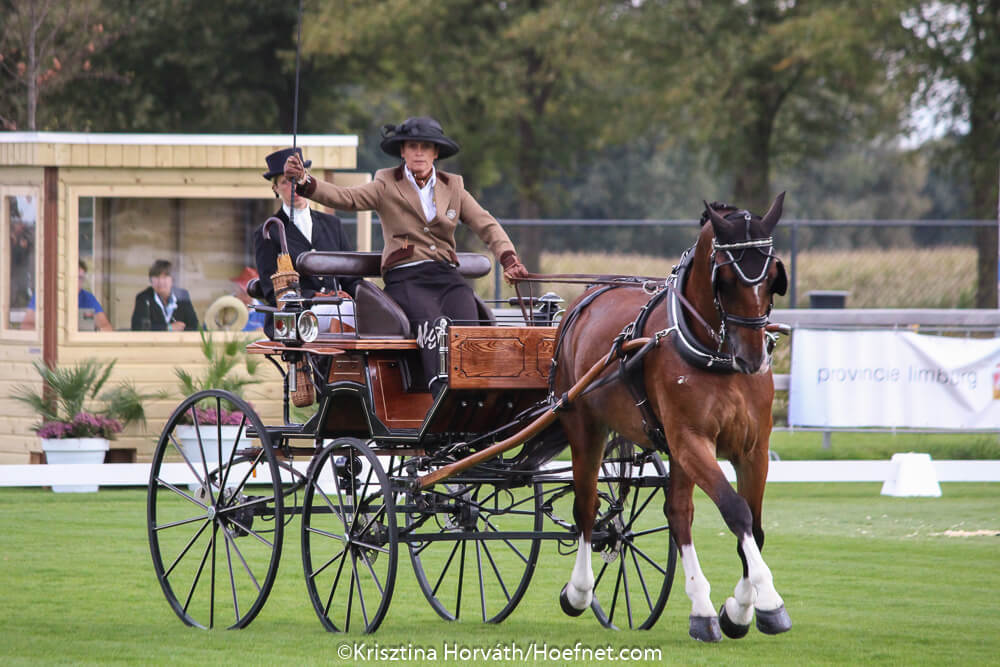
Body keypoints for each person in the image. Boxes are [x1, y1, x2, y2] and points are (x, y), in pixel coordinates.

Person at [283, 116, 529, 392]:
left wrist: (509, 259)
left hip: (445, 275)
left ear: (436, 153)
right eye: (413, 146)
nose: (419, 152)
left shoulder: (454, 187)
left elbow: (486, 224)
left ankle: (476, 393)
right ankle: (438, 392)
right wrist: (305, 181)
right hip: (406, 277)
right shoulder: (386, 183)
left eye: (426, 147)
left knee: (467, 324)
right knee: (434, 326)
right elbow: (347, 197)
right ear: (403, 151)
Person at [254, 147, 361, 336]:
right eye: (286, 181)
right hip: (294, 314)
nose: (293, 187)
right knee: (344, 310)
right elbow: (271, 291)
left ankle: (343, 362)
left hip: (337, 309)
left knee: (354, 310)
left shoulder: (332, 224)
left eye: (297, 180)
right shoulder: (269, 231)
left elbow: (351, 277)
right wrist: (315, 296)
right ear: (275, 188)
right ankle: (333, 361)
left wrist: (364, 296)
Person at [22, 260, 113, 331]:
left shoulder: (88, 298)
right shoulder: (44, 295)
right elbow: (26, 326)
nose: (79, 282)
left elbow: (106, 327)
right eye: (76, 277)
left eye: (81, 278)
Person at [131, 259, 199, 331]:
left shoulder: (182, 296)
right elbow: (138, 326)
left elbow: (194, 326)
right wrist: (168, 328)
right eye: (157, 277)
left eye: (165, 277)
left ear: (172, 279)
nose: (160, 281)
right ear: (151, 280)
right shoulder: (144, 297)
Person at [231, 266, 268, 332]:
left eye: (249, 292)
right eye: (242, 290)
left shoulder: (262, 311)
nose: (246, 294)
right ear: (236, 288)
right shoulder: (226, 304)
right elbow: (209, 326)